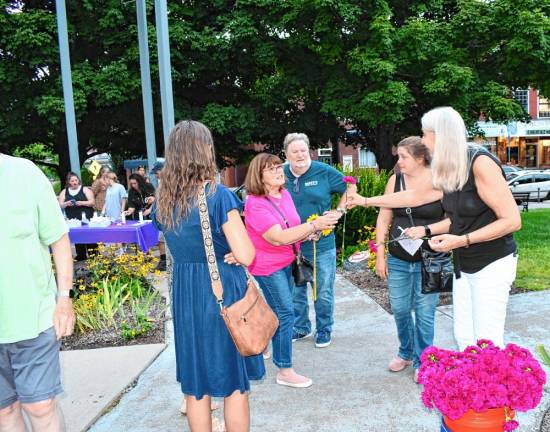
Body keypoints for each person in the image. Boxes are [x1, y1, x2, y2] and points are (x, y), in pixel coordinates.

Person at [347, 107, 521, 350]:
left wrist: (461, 240)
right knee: (464, 337)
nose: (422, 141)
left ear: (441, 135)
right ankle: (467, 386)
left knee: (487, 341)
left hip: (492, 263)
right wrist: (364, 201)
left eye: (425, 134)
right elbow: (415, 196)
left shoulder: (480, 163)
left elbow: (512, 221)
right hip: (464, 263)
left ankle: (489, 388)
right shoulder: (449, 168)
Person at [153, 120, 264, 432]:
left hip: (186, 295)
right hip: (220, 292)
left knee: (196, 384)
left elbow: (174, 240)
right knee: (235, 384)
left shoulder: (164, 199)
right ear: (205, 152)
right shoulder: (218, 196)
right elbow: (246, 255)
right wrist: (230, 249)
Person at [243, 153, 339, 388]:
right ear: (259, 175)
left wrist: (311, 231)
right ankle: (284, 369)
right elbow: (278, 237)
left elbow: (292, 226)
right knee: (286, 313)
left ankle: (262, 343)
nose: (278, 171)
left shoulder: (283, 194)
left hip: (288, 260)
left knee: (277, 311)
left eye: (278, 167)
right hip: (268, 267)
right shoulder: (255, 203)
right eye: (271, 169)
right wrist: (314, 225)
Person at [0, 153, 75, 432]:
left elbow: (58, 239)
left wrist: (64, 299)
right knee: (4, 410)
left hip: (35, 317)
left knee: (41, 406)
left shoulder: (25, 173)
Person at [374, 137, 444, 382]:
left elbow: (452, 220)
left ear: (420, 157)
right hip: (399, 259)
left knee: (425, 312)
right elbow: (383, 219)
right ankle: (405, 352)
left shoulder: (440, 181)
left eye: (403, 156)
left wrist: (427, 231)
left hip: (432, 257)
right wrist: (380, 256)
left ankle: (423, 360)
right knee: (401, 309)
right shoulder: (395, 181)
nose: (398, 161)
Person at [282, 133, 349, 348]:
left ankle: (324, 329)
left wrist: (338, 212)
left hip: (320, 245)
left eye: (303, 150)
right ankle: (301, 327)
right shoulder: (280, 174)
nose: (300, 155)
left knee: (323, 291)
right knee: (295, 290)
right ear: (286, 154)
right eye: (295, 151)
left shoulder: (324, 172)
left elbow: (350, 186)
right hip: (290, 245)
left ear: (309, 150)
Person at [58, 172, 96, 261]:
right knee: (78, 236)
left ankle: (94, 255)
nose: (75, 182)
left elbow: (92, 202)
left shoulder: (85, 189)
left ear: (78, 180)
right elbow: (60, 205)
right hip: (73, 219)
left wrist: (82, 203)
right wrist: (66, 204)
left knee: (89, 235)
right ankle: (81, 255)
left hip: (86, 217)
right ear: (68, 182)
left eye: (76, 180)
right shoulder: (65, 191)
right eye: (72, 181)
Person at [150, 161, 167, 271]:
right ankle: (163, 260)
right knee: (161, 240)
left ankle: (164, 261)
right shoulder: (162, 183)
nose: (156, 175)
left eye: (157, 172)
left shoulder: (167, 183)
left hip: (165, 217)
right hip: (161, 216)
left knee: (162, 240)